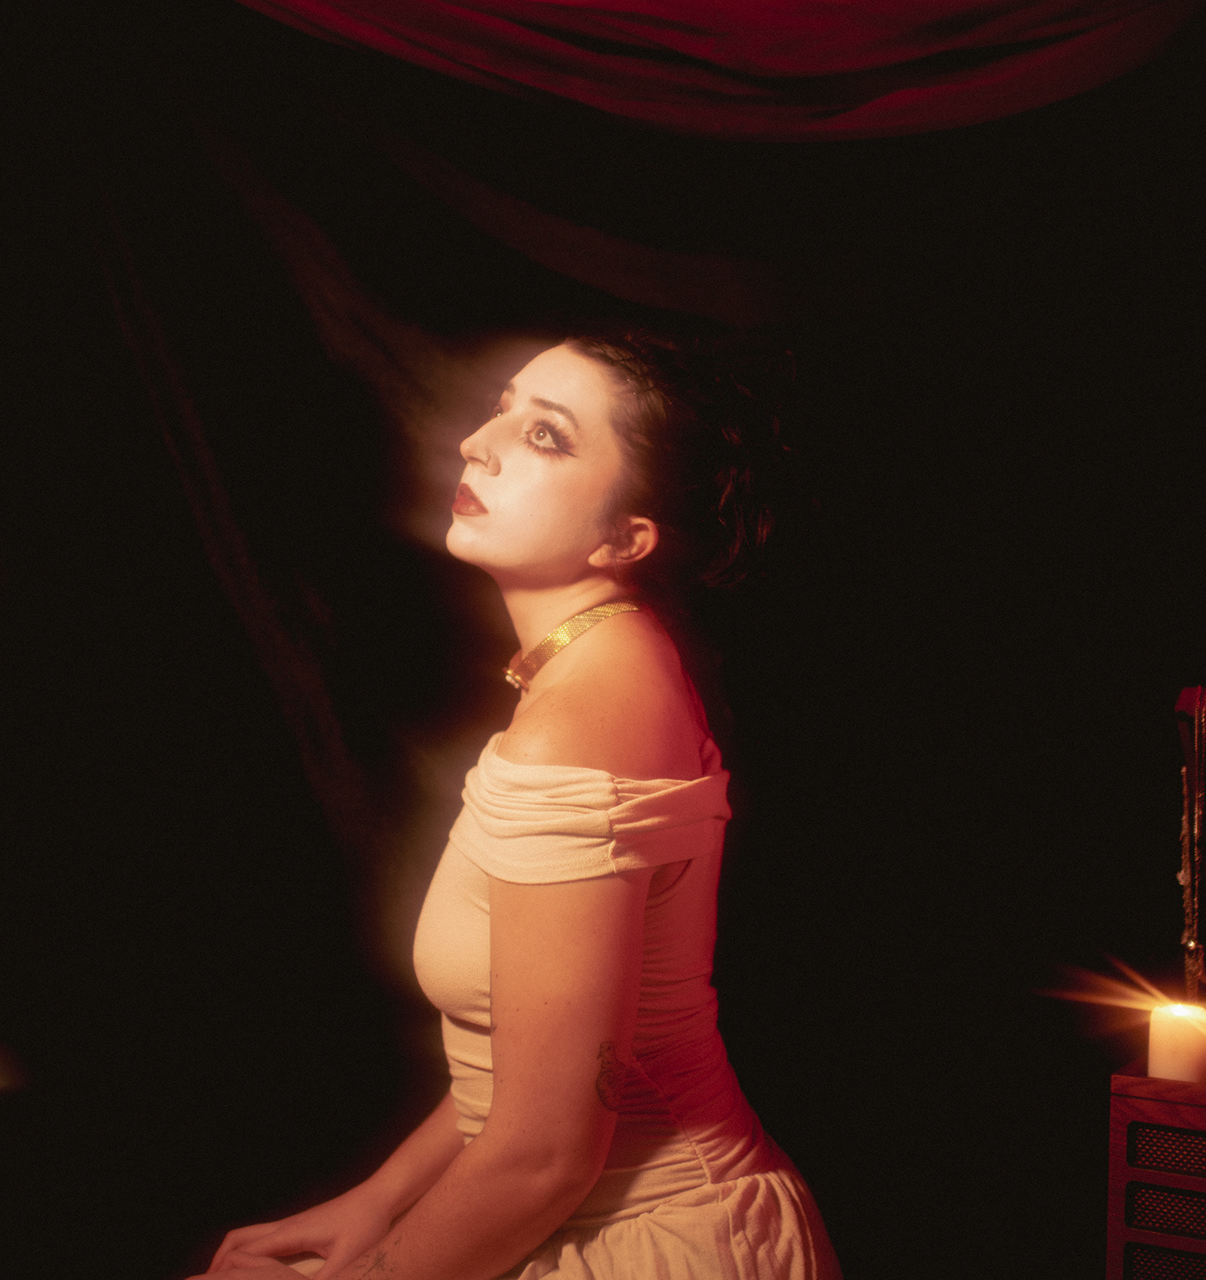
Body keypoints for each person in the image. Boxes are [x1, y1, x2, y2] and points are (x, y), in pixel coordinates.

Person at [201, 332, 839, 1280]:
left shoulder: (586, 719)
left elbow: (545, 1158)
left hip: (653, 1245)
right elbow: (527, 1065)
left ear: (625, 539)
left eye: (546, 435)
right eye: (503, 409)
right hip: (566, 1222)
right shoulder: (598, 664)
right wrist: (374, 1203)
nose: (477, 443)